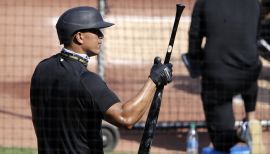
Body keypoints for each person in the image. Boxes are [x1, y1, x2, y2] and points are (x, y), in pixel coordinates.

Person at [30, 6, 173, 154]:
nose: (101, 36)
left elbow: (39, 121)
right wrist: (154, 80)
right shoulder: (86, 81)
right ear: (79, 37)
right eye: (96, 31)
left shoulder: (42, 69)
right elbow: (126, 117)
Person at [186, 0, 266, 153]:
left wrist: (196, 61)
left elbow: (194, 36)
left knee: (222, 140)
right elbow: (255, 36)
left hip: (219, 76)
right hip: (249, 72)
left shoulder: (204, 2)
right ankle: (251, 121)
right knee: (249, 73)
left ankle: (237, 133)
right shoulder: (253, 3)